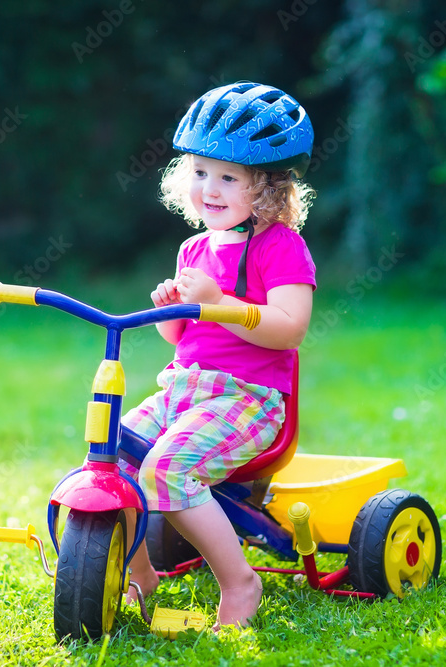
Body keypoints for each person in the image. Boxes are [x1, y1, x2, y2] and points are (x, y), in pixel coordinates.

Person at [117, 81, 317, 629]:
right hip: (183, 391)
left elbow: (289, 329)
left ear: (268, 190)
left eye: (229, 177)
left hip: (247, 401)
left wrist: (219, 301)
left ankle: (241, 583)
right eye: (201, 172)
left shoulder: (280, 246)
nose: (211, 187)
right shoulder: (194, 248)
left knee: (166, 468)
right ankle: (141, 576)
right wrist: (173, 311)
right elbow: (184, 341)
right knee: (113, 452)